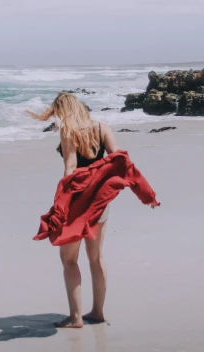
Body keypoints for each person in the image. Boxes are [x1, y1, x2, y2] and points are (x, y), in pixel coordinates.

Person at [29, 93, 159, 329]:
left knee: (69, 260)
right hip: (101, 201)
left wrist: (61, 202)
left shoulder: (69, 131)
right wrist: (145, 192)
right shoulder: (102, 128)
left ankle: (75, 317)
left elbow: (71, 167)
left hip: (78, 201)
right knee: (96, 257)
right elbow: (119, 161)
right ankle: (97, 312)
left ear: (65, 111)